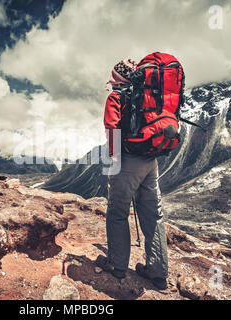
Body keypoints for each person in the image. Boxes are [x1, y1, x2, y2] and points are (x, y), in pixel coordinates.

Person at [96, 59, 169, 290]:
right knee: (153, 214)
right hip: (151, 159)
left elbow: (113, 126)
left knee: (117, 212)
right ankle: (157, 272)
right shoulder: (149, 97)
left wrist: (114, 158)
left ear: (116, 77)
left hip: (128, 160)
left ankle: (117, 265)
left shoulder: (116, 97)